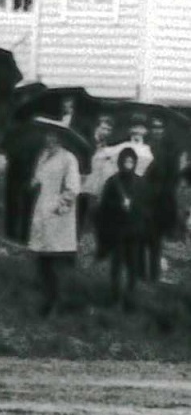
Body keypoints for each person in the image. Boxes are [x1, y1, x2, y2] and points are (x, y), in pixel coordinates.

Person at [27, 123, 81, 317]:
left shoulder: (68, 158)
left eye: (54, 136)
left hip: (58, 214)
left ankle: (56, 302)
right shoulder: (43, 156)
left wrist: (60, 205)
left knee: (54, 258)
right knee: (42, 257)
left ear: (61, 138)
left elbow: (73, 188)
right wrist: (33, 185)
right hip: (42, 208)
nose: (49, 139)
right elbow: (38, 178)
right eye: (48, 135)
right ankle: (45, 299)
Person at [96, 147, 148, 310]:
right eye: (126, 161)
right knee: (116, 265)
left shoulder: (140, 182)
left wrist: (133, 206)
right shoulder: (112, 182)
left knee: (133, 266)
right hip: (117, 231)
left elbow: (146, 207)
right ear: (120, 162)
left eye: (131, 161)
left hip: (134, 231)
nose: (128, 164)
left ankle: (130, 299)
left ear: (135, 163)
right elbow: (104, 207)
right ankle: (114, 298)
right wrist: (119, 206)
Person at [143, 114, 183, 282]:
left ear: (164, 130)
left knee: (156, 239)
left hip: (160, 202)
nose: (156, 131)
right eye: (153, 127)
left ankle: (154, 274)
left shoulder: (170, 152)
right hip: (143, 199)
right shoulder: (145, 148)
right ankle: (142, 272)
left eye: (159, 127)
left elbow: (173, 179)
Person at [82, 115, 120, 256]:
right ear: (97, 127)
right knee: (87, 216)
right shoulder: (87, 142)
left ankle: (98, 248)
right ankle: (84, 247)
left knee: (98, 216)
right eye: (103, 128)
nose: (106, 132)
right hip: (85, 185)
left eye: (109, 129)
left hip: (100, 186)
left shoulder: (108, 146)